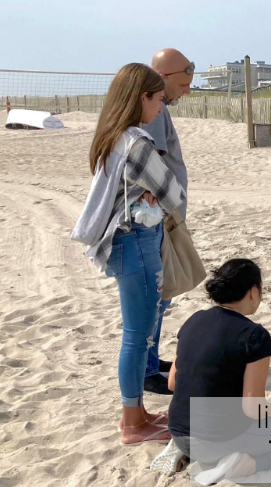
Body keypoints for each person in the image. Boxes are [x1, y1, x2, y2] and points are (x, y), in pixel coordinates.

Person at [71, 63, 184, 444]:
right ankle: (132, 424)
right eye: (158, 100)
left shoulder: (111, 136)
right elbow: (174, 195)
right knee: (139, 335)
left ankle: (136, 414)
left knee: (138, 333)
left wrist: (144, 192)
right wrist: (153, 193)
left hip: (124, 242)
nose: (161, 108)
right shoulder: (137, 142)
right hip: (136, 241)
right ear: (143, 98)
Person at [167, 259, 271, 485]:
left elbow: (173, 383)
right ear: (253, 291)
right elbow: (253, 407)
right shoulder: (254, 335)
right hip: (214, 439)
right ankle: (245, 465)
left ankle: (189, 453)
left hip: (177, 432)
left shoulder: (193, 320)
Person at [140, 48, 194, 394]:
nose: (187, 90)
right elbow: (153, 163)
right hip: (160, 218)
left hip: (163, 215)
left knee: (161, 294)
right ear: (165, 77)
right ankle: (146, 369)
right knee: (158, 294)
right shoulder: (154, 109)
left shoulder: (156, 106)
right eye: (184, 83)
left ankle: (149, 359)